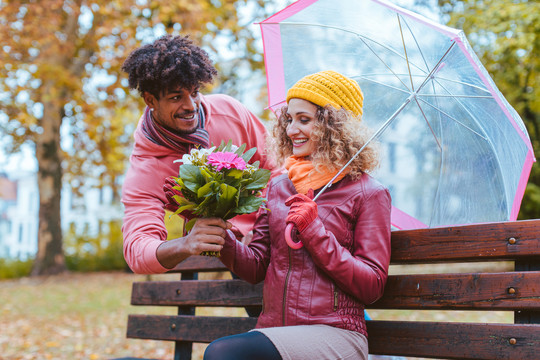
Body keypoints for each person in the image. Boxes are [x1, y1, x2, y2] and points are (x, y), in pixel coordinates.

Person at [203, 70, 392, 360]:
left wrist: (314, 231)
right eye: (289, 119)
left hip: (335, 333)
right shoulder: (280, 185)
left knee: (222, 353)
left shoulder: (368, 193)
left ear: (333, 125)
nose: (292, 130)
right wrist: (221, 234)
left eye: (304, 120)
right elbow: (256, 267)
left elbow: (372, 285)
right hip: (274, 331)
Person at [120, 34, 276, 274]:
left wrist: (262, 230)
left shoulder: (229, 112)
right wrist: (185, 244)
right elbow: (137, 250)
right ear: (150, 100)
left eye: (194, 92)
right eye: (175, 97)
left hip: (273, 235)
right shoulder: (147, 167)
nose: (191, 106)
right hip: (229, 259)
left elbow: (278, 168)